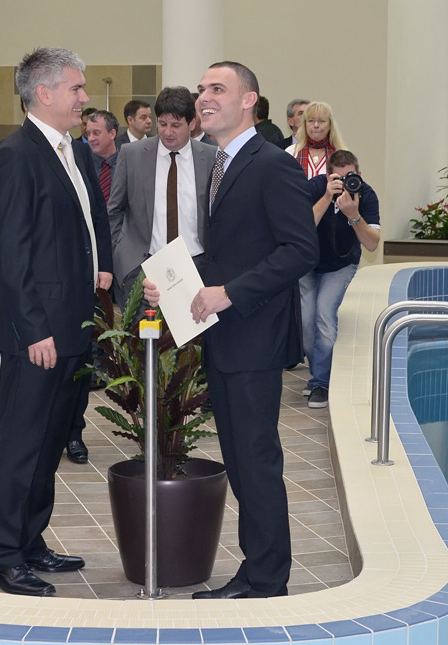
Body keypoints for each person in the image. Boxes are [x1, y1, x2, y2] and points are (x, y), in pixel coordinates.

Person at [144, 61, 318, 599]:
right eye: (202, 90)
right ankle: (257, 569)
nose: (204, 98)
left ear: (249, 100)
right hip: (226, 338)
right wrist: (170, 284)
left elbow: (300, 250)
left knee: (255, 463)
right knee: (241, 462)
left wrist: (231, 293)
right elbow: (228, 252)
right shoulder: (221, 162)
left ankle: (266, 578)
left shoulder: (271, 164)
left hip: (254, 340)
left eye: (217, 89)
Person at [0, 47, 113, 597]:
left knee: (50, 440)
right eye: (77, 88)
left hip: (73, 325)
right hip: (36, 333)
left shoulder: (72, 152)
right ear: (44, 93)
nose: (85, 98)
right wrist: (36, 329)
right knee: (22, 445)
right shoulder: (16, 156)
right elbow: (12, 253)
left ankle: (30, 541)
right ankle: (1, 556)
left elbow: (85, 227)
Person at [108, 86, 216, 309]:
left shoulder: (211, 157)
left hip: (197, 266)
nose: (168, 132)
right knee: (142, 332)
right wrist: (123, 259)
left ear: (192, 123)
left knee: (194, 331)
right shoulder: (132, 154)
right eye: (163, 124)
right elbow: (115, 210)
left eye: (176, 125)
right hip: (143, 267)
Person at [301, 150, 380, 408]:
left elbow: (372, 244)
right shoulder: (315, 188)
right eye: (339, 178)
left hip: (341, 266)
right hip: (308, 265)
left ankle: (321, 383)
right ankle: (319, 373)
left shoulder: (366, 195)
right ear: (328, 176)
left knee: (325, 315)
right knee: (305, 323)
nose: (346, 183)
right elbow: (300, 230)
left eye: (351, 177)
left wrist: (353, 215)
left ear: (359, 174)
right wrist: (327, 197)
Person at [286, 101, 347, 178]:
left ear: (330, 125)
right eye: (311, 121)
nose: (316, 125)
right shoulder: (291, 152)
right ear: (305, 125)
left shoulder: (342, 156)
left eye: (321, 121)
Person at [86, 110, 119, 203]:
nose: (91, 138)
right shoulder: (84, 165)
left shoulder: (127, 164)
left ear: (112, 134)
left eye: (96, 133)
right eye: (88, 134)